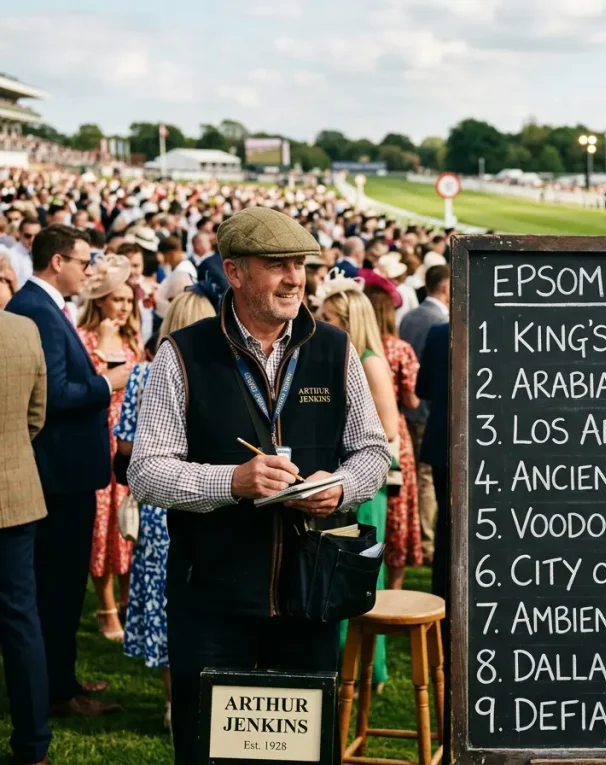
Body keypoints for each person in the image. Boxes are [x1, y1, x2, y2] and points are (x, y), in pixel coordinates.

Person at [127, 207, 390, 765]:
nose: (295, 277)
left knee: (300, 756)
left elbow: (373, 451)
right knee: (211, 755)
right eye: (277, 264)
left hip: (310, 597)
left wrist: (340, 487)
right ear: (235, 272)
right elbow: (146, 472)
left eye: (299, 264)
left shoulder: (334, 348)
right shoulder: (183, 353)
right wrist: (233, 481)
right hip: (212, 601)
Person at [6, 225, 127, 718]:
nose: (89, 269)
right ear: (58, 261)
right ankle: (57, 692)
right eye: (83, 260)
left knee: (62, 585)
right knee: (56, 587)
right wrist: (107, 382)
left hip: (66, 472)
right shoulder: (35, 310)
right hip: (57, 474)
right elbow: (53, 396)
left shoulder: (46, 309)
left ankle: (63, 680)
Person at [114, 287, 218, 729]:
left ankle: (174, 700)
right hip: (205, 495)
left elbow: (122, 446)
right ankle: (200, 698)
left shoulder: (143, 373)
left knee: (163, 598)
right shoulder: (216, 371)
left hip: (159, 500)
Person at [317, 274, 397, 688]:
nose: (321, 324)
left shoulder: (369, 361)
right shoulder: (346, 359)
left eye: (329, 317)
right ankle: (350, 663)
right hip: (342, 477)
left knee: (361, 573)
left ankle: (369, 668)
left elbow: (386, 428)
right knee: (342, 570)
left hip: (363, 480)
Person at [77, 254, 142, 642]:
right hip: (96, 439)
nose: (124, 307)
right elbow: (88, 388)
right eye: (117, 299)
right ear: (100, 299)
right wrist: (101, 346)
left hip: (128, 443)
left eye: (129, 301)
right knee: (102, 529)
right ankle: (105, 604)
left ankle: (128, 598)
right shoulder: (85, 339)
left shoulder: (133, 340)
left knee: (128, 525)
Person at [0, 311, 51, 765]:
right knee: (20, 618)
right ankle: (33, 744)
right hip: (14, 490)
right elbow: (36, 415)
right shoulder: (23, 329)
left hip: (15, 490)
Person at [364, 283, 423, 589]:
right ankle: (395, 590)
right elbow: (413, 400)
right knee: (399, 514)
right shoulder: (399, 349)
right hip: (395, 432)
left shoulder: (358, 347)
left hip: (364, 432)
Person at [399, 264, 450, 563]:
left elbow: (424, 386)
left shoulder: (412, 317)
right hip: (433, 420)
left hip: (423, 417)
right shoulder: (441, 328)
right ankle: (426, 543)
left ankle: (428, 545)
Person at [416, 321, 450, 601]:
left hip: (443, 440)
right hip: (448, 443)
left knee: (446, 526)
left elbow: (423, 388)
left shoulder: (439, 332)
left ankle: (442, 596)